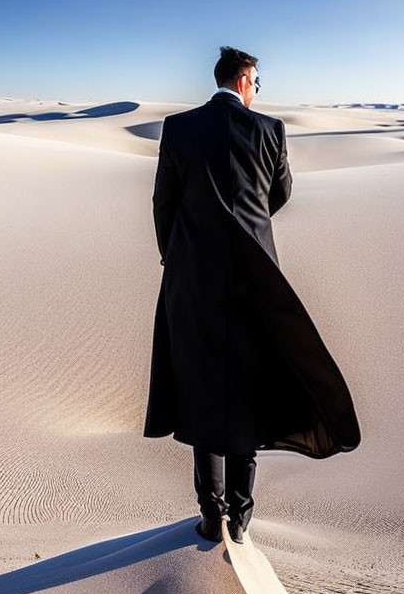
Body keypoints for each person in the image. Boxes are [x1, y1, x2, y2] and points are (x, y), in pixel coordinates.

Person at [143, 46, 361, 545]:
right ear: (244, 81)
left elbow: (163, 204)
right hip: (256, 278)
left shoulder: (178, 128)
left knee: (201, 388)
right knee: (247, 389)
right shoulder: (269, 131)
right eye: (257, 82)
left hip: (193, 281)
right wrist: (250, 220)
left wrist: (175, 257)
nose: (257, 90)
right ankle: (240, 516)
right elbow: (279, 193)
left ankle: (210, 513)